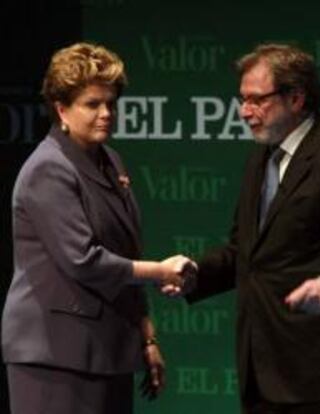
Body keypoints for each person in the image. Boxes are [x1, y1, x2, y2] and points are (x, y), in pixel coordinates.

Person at [185, 44, 320, 414]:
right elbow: (246, 251)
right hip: (263, 369)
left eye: (256, 100)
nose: (245, 112)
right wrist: (194, 274)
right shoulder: (259, 158)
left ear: (296, 98)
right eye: (242, 100)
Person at [1, 42, 195, 414]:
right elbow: (83, 260)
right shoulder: (49, 168)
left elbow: (125, 251)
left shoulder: (110, 160)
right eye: (92, 104)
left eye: (111, 103)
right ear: (62, 109)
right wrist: (159, 271)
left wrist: (146, 336)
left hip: (107, 349)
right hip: (56, 355)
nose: (106, 113)